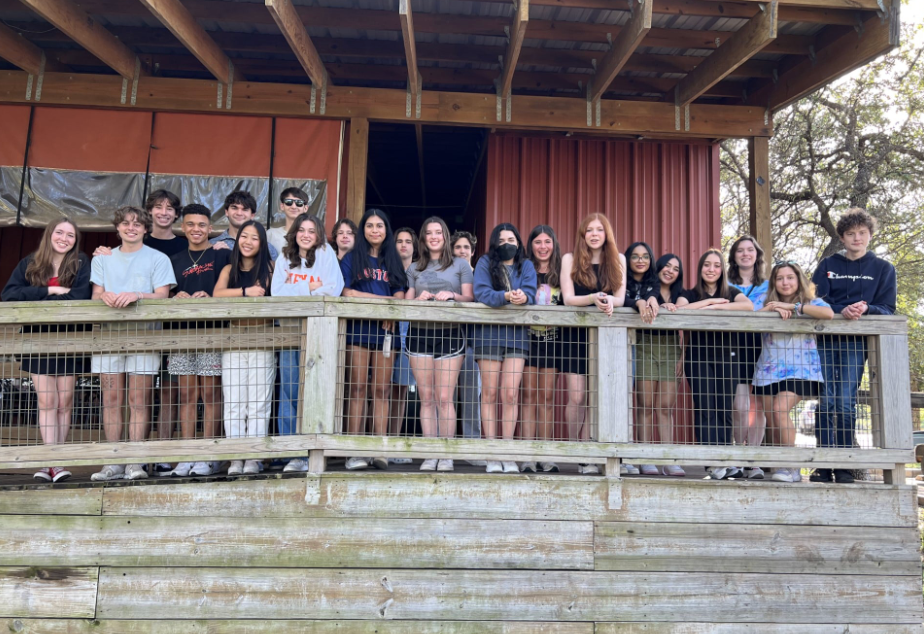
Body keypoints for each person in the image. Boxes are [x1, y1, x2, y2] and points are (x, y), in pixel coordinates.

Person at [93, 189, 186, 472]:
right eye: (126, 223)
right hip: (109, 338)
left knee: (139, 400)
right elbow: (96, 293)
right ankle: (113, 461)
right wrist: (104, 297)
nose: (131, 228)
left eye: (137, 224)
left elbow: (163, 295)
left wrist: (137, 294)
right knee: (110, 399)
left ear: (146, 229)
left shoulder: (157, 258)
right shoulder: (102, 259)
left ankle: (135, 461)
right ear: (118, 228)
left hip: (145, 337)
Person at [2, 218, 92, 482]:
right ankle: (47, 461)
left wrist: (36, 295)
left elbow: (79, 297)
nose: (64, 239)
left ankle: (58, 461)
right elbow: (10, 294)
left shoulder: (81, 262)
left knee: (64, 402)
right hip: (37, 341)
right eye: (59, 233)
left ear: (76, 241)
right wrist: (50, 289)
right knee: (47, 401)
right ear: (49, 234)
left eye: (71, 235)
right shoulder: (30, 263)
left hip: (71, 341)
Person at [811, 208, 896, 484]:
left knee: (846, 402)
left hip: (856, 345)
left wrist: (866, 307)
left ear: (870, 235)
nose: (856, 238)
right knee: (826, 400)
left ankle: (846, 464)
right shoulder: (827, 265)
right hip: (825, 340)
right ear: (842, 237)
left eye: (861, 233)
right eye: (850, 234)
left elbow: (887, 309)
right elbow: (816, 302)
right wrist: (841, 310)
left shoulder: (883, 269)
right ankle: (823, 464)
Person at [271, 212, 344, 473]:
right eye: (302, 230)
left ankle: (309, 452)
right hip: (290, 329)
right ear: (295, 232)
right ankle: (290, 450)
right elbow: (277, 293)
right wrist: (313, 288)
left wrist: (298, 289)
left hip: (319, 330)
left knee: (313, 389)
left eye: (311, 231)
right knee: (290, 389)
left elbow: (334, 287)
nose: (306, 235)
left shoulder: (325, 254)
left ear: (318, 235)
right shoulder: (284, 256)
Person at [161, 204, 230, 478]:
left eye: (202, 225)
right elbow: (163, 295)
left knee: (210, 395)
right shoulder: (175, 259)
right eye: (191, 224)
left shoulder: (222, 255)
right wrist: (173, 298)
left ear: (210, 229)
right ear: (183, 227)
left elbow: (229, 292)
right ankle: (187, 455)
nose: (196, 230)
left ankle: (208, 455)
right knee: (187, 395)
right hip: (181, 335)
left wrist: (211, 298)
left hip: (212, 334)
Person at [340, 209, 407, 471]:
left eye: (380, 226)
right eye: (369, 226)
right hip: (358, 329)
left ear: (386, 230)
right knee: (357, 388)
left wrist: (391, 307)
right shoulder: (351, 258)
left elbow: (400, 295)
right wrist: (384, 302)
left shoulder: (393, 259)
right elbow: (347, 292)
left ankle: (381, 449)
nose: (375, 230)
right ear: (363, 230)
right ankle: (353, 451)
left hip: (386, 332)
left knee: (382, 390)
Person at [755, 261, 834, 483]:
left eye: (790, 277)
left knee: (780, 410)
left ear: (798, 279)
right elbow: (750, 322)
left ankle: (792, 466)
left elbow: (827, 314)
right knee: (773, 419)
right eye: (780, 278)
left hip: (801, 370)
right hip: (769, 368)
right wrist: (771, 309)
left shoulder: (810, 302)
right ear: (774, 282)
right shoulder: (767, 303)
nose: (785, 282)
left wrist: (795, 307)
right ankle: (782, 466)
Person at [677, 248, 753, 480]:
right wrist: (709, 301)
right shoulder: (689, 293)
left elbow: (748, 306)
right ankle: (711, 463)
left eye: (716, 265)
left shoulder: (731, 292)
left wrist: (719, 305)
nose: (711, 269)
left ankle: (725, 458)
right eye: (707, 265)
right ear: (700, 269)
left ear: (722, 270)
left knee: (723, 408)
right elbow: (680, 309)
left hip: (727, 356)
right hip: (698, 356)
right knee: (705, 409)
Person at [405, 217, 474, 472]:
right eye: (428, 233)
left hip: (450, 335)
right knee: (427, 398)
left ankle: (446, 454)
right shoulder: (414, 268)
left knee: (445, 398)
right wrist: (418, 299)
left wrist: (452, 295)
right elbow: (406, 304)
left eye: (438, 233)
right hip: (419, 335)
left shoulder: (460, 265)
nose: (434, 237)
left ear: (445, 236)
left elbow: (470, 297)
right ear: (422, 239)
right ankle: (429, 452)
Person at [560, 213, 626, 475]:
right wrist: (593, 298)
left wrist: (609, 301)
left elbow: (621, 298)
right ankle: (578, 449)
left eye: (600, 229)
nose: (595, 234)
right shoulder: (570, 259)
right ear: (582, 235)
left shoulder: (618, 260)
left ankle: (592, 450)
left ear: (606, 234)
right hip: (576, 335)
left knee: (598, 397)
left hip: (607, 337)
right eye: (589, 230)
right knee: (577, 396)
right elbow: (567, 298)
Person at [213, 220, 276, 476]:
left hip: (263, 340)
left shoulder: (270, 268)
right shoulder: (229, 268)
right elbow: (217, 294)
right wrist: (246, 291)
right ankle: (235, 456)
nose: (248, 242)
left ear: (262, 243)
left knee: (259, 401)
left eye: (254, 238)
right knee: (234, 400)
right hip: (234, 340)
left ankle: (254, 456)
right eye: (244, 237)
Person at [473, 223, 537, 474]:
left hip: (517, 336)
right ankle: (491, 453)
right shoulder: (484, 263)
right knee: (488, 393)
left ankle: (508, 452)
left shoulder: (527, 265)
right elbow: (481, 293)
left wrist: (524, 297)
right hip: (488, 335)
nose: (507, 243)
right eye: (502, 240)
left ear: (519, 242)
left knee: (510, 394)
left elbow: (530, 290)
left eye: (511, 239)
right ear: (494, 243)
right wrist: (505, 297)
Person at [637, 253, 689, 477]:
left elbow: (686, 320)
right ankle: (645, 457)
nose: (670, 270)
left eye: (675, 268)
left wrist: (682, 357)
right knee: (646, 405)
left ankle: (668, 458)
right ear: (658, 267)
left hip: (671, 349)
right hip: (645, 347)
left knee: (666, 407)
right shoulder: (648, 289)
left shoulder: (682, 295)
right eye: (667, 266)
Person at [727, 235, 770, 479]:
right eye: (740, 250)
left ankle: (753, 460)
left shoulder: (768, 284)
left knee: (759, 407)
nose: (745, 254)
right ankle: (738, 454)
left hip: (761, 347)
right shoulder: (725, 283)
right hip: (733, 347)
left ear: (757, 254)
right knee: (740, 406)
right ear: (734, 256)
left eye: (750, 250)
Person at [522, 225, 563, 473]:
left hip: (553, 343)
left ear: (553, 244)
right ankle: (528, 454)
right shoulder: (525, 270)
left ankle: (545, 454)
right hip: (527, 342)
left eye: (547, 241)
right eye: (538, 242)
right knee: (528, 396)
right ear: (531, 245)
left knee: (547, 398)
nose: (543, 247)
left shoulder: (561, 272)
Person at [624, 241, 663, 476]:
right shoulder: (620, 279)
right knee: (625, 398)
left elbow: (653, 294)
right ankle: (625, 454)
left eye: (645, 256)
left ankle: (641, 455)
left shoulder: (652, 283)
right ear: (628, 260)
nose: (640, 260)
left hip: (644, 347)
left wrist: (652, 299)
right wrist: (637, 302)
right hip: (621, 344)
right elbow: (619, 298)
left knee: (642, 400)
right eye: (636, 256)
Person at [451, 230, 482, 448]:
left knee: (472, 395)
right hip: (450, 342)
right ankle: (447, 445)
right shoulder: (447, 275)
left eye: (466, 248)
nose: (462, 251)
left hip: (473, 342)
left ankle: (472, 445)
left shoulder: (480, 275)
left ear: (472, 251)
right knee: (447, 395)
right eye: (458, 247)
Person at [390, 227, 418, 446]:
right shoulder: (387, 266)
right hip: (387, 330)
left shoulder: (421, 270)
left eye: (408, 241)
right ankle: (378, 439)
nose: (403, 245)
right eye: (399, 241)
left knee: (400, 387)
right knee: (381, 386)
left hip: (411, 330)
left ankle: (396, 439)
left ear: (414, 245)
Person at [210, 190, 279, 260]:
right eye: (234, 208)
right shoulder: (212, 244)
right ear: (226, 212)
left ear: (252, 215)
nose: (239, 213)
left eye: (245, 209)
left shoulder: (267, 248)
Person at [266, 187, 311, 254]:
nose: (293, 206)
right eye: (288, 202)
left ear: (306, 208)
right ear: (282, 206)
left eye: (299, 203)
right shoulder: (271, 234)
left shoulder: (312, 235)